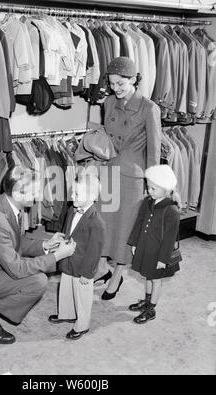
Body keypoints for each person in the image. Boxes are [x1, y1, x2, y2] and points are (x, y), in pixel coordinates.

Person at [0, 166, 76, 344]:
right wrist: (56, 256)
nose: (37, 196)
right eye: (34, 191)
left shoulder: (6, 203)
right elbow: (17, 269)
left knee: (32, 272)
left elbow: (16, 240)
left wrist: (45, 245)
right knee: (37, 281)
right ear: (18, 193)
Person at [95, 56, 162, 300]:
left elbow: (154, 151)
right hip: (110, 169)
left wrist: (153, 185)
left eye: (121, 83)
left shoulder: (149, 108)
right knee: (104, 224)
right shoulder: (108, 103)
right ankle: (102, 267)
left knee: (125, 230)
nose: (116, 88)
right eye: (112, 83)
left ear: (134, 79)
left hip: (133, 178)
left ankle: (118, 273)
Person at [48, 175, 105, 340]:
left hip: (83, 267)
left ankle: (82, 325)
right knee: (65, 289)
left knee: (82, 297)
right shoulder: (72, 211)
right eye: (73, 192)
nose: (72, 196)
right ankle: (66, 313)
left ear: (92, 197)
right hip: (69, 260)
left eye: (77, 194)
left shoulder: (97, 222)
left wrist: (88, 274)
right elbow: (68, 233)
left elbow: (95, 251)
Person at [128, 165, 181, 324]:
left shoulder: (171, 210)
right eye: (148, 187)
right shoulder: (147, 202)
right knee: (147, 276)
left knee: (156, 280)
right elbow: (139, 223)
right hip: (145, 248)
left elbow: (170, 238)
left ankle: (151, 309)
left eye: (153, 188)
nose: (149, 191)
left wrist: (162, 259)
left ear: (166, 189)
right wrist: (134, 242)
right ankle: (147, 300)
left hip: (159, 253)